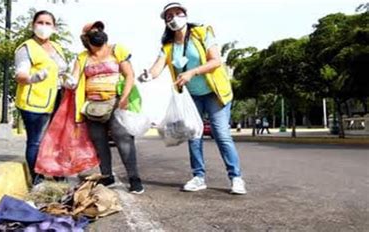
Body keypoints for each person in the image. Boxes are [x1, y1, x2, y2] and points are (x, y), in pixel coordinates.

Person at [138, 2, 246, 194]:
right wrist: (147, 75)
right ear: (165, 22)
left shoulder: (202, 33)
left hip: (215, 93)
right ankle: (198, 177)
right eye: (169, 16)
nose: (174, 18)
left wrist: (192, 72)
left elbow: (216, 61)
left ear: (185, 15)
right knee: (194, 135)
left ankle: (236, 177)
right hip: (192, 97)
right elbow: (157, 67)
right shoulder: (168, 47)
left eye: (177, 13)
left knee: (221, 135)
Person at [70, 21, 144, 194]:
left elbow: (129, 75)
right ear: (85, 38)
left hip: (116, 101)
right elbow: (74, 78)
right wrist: (68, 80)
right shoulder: (82, 57)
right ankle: (106, 176)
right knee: (99, 142)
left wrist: (124, 98)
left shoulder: (117, 50)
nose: (97, 32)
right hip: (91, 106)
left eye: (99, 29)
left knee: (123, 139)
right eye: (92, 31)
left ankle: (134, 178)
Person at [14, 10, 68, 185]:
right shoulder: (26, 48)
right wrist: (32, 78)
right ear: (33, 25)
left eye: (48, 23)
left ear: (54, 28)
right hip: (34, 102)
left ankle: (58, 175)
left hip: (57, 99)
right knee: (36, 141)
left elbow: (61, 70)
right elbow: (20, 74)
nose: (43, 27)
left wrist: (67, 80)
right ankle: (37, 181)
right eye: (40, 22)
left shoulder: (57, 47)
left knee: (56, 139)